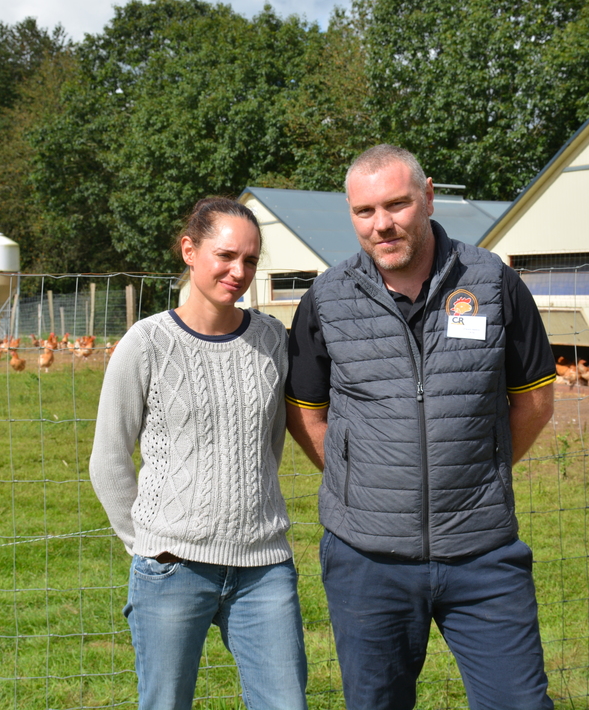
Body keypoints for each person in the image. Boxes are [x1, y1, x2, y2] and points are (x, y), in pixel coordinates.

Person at [285, 145, 557, 710]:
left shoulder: (493, 285)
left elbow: (534, 403)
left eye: (397, 204)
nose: (382, 224)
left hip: (481, 553)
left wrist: (481, 472)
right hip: (367, 559)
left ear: (428, 196)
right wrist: (358, 476)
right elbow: (307, 412)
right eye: (365, 211)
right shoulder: (327, 300)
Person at [91, 197, 308, 710]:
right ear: (189, 250)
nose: (239, 272)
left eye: (251, 261)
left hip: (263, 567)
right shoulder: (145, 343)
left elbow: (267, 444)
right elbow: (108, 461)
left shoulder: (272, 338)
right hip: (173, 568)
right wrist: (150, 541)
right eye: (226, 256)